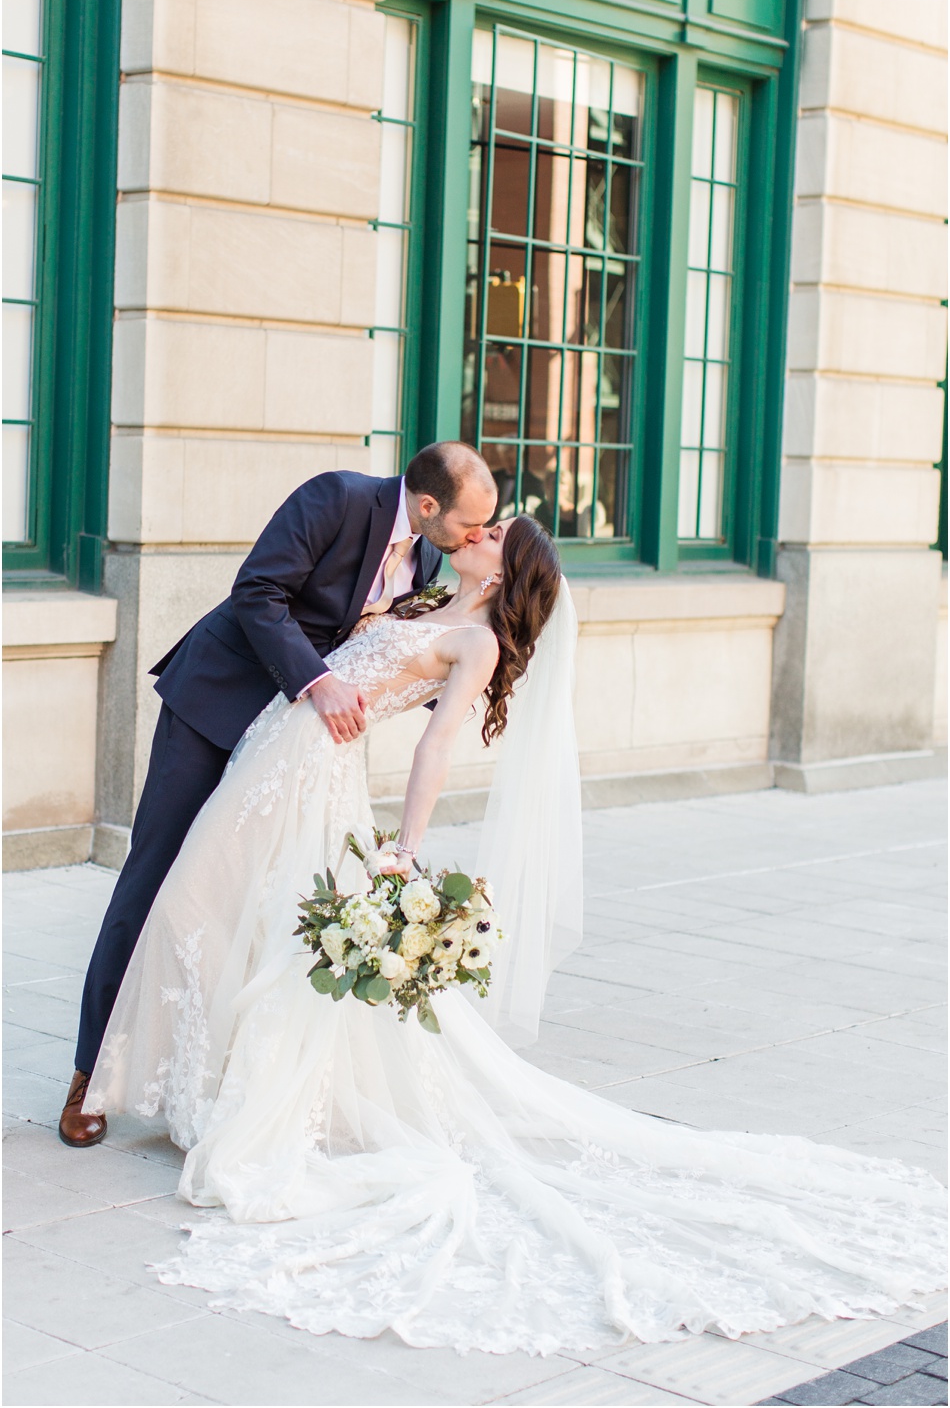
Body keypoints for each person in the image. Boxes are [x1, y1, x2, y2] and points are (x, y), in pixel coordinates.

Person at [84, 514, 945, 1357]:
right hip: (275, 749)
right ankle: (198, 1084)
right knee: (214, 914)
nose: (476, 534)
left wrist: (404, 851)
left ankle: (217, 1098)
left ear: (502, 573)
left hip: (311, 774)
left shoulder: (478, 644)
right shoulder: (421, 603)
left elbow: (436, 747)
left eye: (495, 536)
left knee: (196, 906)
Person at [60, 442, 499, 1148]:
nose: (477, 535)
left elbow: (393, 656)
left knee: (248, 905)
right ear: (426, 505)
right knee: (155, 880)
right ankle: (89, 1074)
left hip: (291, 748)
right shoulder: (336, 497)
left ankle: (200, 1069)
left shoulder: (424, 560)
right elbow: (257, 591)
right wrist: (315, 681)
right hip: (216, 707)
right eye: (472, 523)